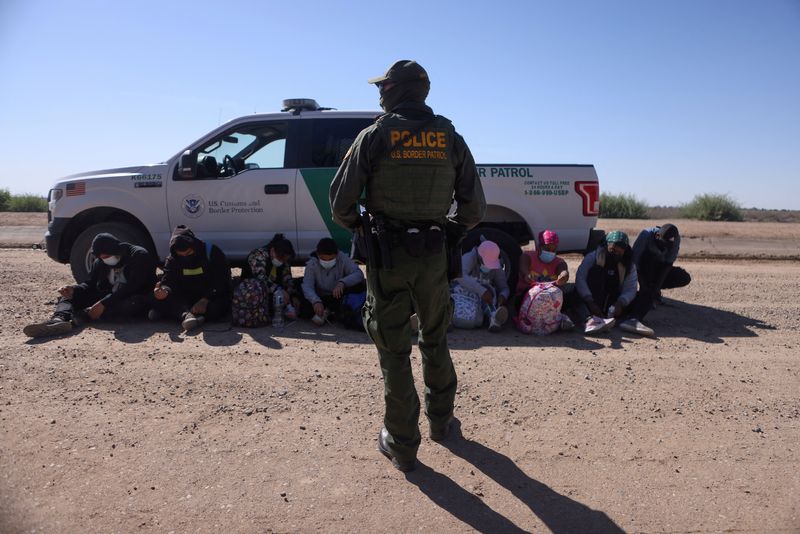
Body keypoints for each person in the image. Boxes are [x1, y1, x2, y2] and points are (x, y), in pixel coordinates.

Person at [329, 60, 486, 471]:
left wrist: (363, 229)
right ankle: (441, 421)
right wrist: (448, 231)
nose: (379, 94)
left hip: (389, 258)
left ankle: (401, 443)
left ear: (397, 92)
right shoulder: (450, 136)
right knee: (435, 337)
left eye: (384, 87)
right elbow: (475, 207)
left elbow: (340, 203)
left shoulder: (375, 135)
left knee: (393, 348)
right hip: (434, 256)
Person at [24, 233, 157, 338]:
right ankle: (59, 320)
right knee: (70, 296)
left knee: (130, 305)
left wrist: (103, 303)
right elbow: (91, 284)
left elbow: (133, 287)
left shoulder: (138, 256)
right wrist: (74, 289)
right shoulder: (100, 262)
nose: (105, 259)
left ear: (116, 250)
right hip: (109, 297)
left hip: (134, 296)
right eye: (101, 257)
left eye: (107, 255)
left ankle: (83, 316)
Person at [150, 225, 232, 331]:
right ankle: (187, 315)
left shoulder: (211, 252)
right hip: (185, 297)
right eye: (181, 255)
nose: (185, 257)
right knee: (154, 299)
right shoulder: (172, 259)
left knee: (219, 307)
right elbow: (168, 282)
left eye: (188, 253)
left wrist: (205, 299)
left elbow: (223, 281)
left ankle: (182, 315)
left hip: (210, 295)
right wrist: (164, 291)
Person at [574, 230, 640, 335]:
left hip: (614, 300)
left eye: (620, 252)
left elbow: (631, 288)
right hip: (593, 297)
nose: (616, 254)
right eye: (613, 250)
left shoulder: (629, 265)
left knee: (644, 296)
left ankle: (631, 320)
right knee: (576, 293)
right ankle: (590, 320)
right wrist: (590, 302)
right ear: (606, 246)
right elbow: (580, 278)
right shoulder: (593, 257)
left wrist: (620, 303)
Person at [513, 229, 574, 332]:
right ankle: (530, 320)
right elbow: (524, 269)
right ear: (539, 247)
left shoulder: (559, 262)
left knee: (572, 291)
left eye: (553, 250)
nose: (550, 252)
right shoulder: (527, 256)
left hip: (551, 301)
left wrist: (563, 276)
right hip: (527, 299)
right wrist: (527, 275)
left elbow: (563, 271)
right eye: (547, 249)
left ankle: (558, 318)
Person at [299, 238, 366, 329]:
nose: (327, 262)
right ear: (318, 255)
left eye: (331, 259)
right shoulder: (312, 264)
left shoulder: (342, 258)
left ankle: (330, 312)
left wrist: (343, 282)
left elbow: (358, 274)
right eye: (323, 259)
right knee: (304, 307)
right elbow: (307, 285)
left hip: (339, 295)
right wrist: (315, 301)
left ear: (337, 254)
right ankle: (329, 312)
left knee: (357, 286)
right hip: (321, 297)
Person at [451, 240, 510, 332]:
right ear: (479, 256)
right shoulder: (469, 258)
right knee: (452, 293)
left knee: (489, 299)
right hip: (464, 291)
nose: (489, 267)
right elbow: (460, 276)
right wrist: (481, 291)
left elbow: (504, 287)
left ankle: (494, 319)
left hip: (482, 297)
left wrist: (503, 296)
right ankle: (447, 317)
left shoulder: (496, 266)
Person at [244, 233, 299, 325]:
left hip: (272, 293)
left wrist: (291, 295)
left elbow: (287, 279)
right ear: (272, 250)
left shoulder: (283, 260)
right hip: (254, 292)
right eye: (280, 258)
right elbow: (261, 280)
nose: (281, 262)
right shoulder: (258, 256)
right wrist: (279, 290)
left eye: (284, 260)